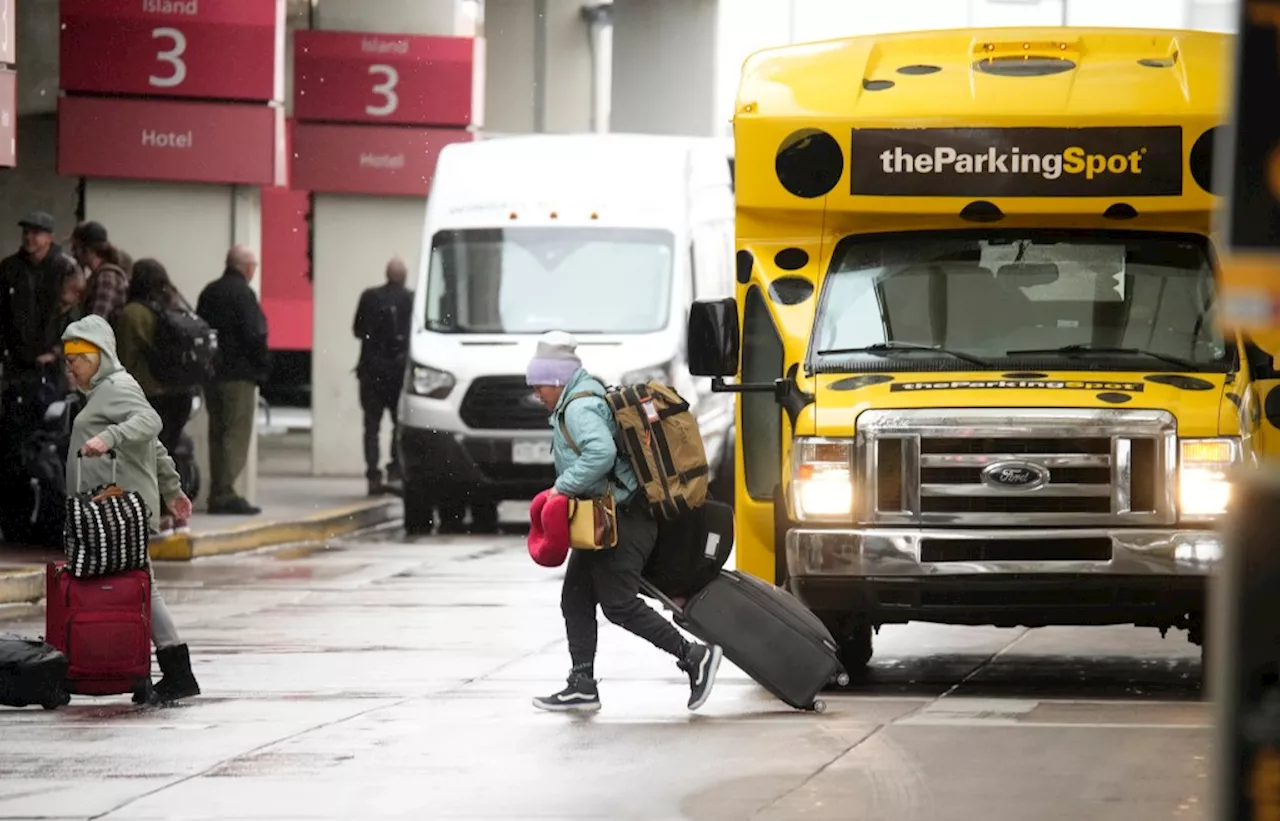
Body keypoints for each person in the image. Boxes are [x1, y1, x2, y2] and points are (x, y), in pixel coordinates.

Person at [527, 331, 723, 713]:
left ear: (556, 380)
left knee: (618, 603)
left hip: (624, 516)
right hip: (603, 517)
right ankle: (582, 683)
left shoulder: (580, 407)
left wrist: (560, 489)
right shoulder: (578, 398)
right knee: (576, 599)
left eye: (539, 385)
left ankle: (694, 655)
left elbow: (600, 454)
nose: (537, 394)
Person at [61, 314, 201, 705]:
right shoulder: (103, 392)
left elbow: (150, 422)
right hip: (115, 508)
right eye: (67, 354)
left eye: (79, 354)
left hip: (118, 510)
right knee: (140, 586)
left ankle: (169, 671)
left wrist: (108, 437)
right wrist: (173, 490)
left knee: (142, 587)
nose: (70, 362)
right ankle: (157, 670)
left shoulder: (116, 387)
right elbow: (152, 447)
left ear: (101, 355)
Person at [116, 259, 198, 533]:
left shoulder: (132, 313)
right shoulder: (174, 307)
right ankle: (178, 517)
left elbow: (125, 360)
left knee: (148, 461)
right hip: (180, 395)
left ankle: (159, 518)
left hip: (150, 396)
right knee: (171, 454)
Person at [196, 245, 270, 515]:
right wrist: (262, 366)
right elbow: (255, 334)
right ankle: (225, 493)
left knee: (217, 432)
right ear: (246, 267)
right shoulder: (244, 294)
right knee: (236, 434)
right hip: (239, 375)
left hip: (213, 374)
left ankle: (219, 490)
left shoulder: (210, 291)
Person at [352, 257, 413, 496]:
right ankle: (395, 470)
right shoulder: (411, 299)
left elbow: (357, 330)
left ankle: (373, 475)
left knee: (371, 426)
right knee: (399, 425)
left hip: (371, 371)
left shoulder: (369, 297)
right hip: (398, 374)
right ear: (404, 277)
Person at [0, 212, 77, 378]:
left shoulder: (65, 269)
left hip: (53, 362)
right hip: (15, 363)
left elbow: (73, 317)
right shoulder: (9, 267)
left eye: (35, 233)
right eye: (25, 232)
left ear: (50, 237)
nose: (28, 237)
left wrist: (58, 351)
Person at [72, 223, 130, 327]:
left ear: (86, 249)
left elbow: (96, 322)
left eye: (76, 247)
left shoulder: (107, 277)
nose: (73, 252)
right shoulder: (97, 275)